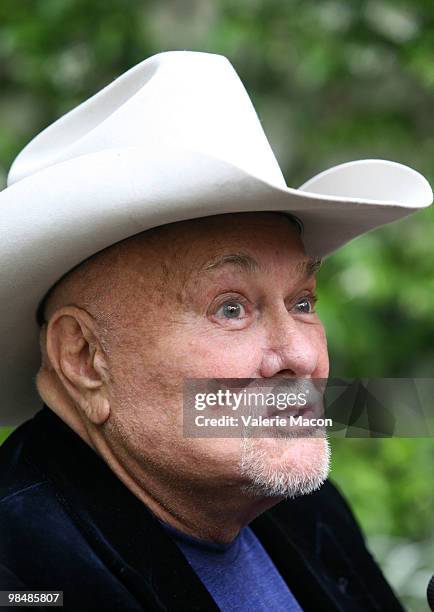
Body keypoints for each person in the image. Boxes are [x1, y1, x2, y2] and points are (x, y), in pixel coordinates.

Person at [0, 50, 431, 611]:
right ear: (84, 359)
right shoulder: (22, 572)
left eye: (302, 302)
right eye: (231, 309)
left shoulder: (303, 507)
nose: (301, 356)